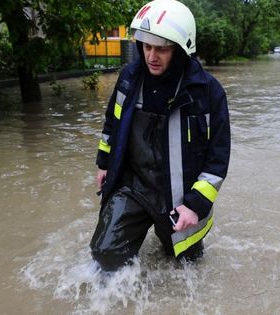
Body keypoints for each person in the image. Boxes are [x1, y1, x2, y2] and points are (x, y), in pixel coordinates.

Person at [89, 0, 231, 272]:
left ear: (180, 50)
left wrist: (195, 205)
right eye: (147, 46)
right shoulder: (129, 78)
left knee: (186, 265)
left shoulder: (208, 93)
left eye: (162, 49)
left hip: (180, 199)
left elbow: (218, 158)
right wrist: (103, 164)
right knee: (105, 254)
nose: (151, 56)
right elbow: (112, 123)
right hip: (134, 186)